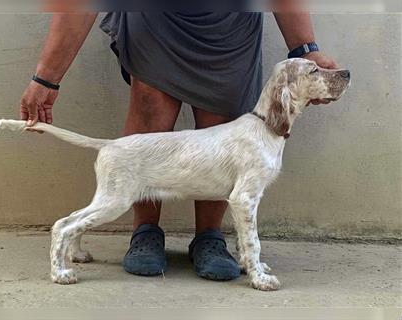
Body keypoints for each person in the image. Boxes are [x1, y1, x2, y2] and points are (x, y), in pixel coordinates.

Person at [20, 12, 339, 281]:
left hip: (228, 23)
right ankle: (145, 231)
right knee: (149, 113)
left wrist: (305, 48)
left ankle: (210, 238)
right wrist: (47, 77)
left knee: (224, 129)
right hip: (158, 17)